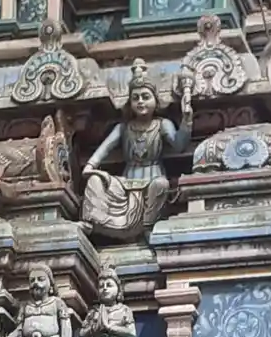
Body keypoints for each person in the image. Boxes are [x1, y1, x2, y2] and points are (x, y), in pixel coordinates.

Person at [81, 65, 194, 241]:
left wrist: (187, 120)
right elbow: (104, 149)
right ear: (130, 103)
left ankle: (148, 226)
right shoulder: (123, 128)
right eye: (136, 98)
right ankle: (91, 222)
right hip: (125, 184)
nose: (140, 101)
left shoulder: (162, 124)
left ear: (156, 100)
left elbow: (179, 145)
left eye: (145, 97)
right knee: (95, 181)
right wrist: (90, 166)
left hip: (152, 182)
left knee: (162, 185)